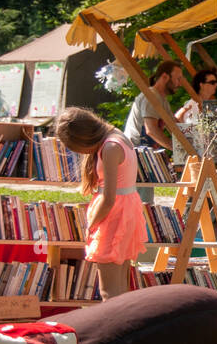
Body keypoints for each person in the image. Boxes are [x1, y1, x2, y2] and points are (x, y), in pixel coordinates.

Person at [54, 106, 148, 299]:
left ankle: (117, 328)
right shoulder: (117, 136)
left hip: (114, 218)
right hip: (125, 212)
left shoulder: (110, 148)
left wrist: (91, 224)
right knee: (121, 290)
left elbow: (109, 199)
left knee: (109, 292)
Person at [124, 59, 182, 151]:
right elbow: (151, 130)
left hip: (145, 152)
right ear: (164, 77)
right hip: (136, 152)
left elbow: (173, 127)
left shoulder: (162, 100)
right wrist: (178, 149)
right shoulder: (151, 97)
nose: (180, 83)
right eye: (178, 79)